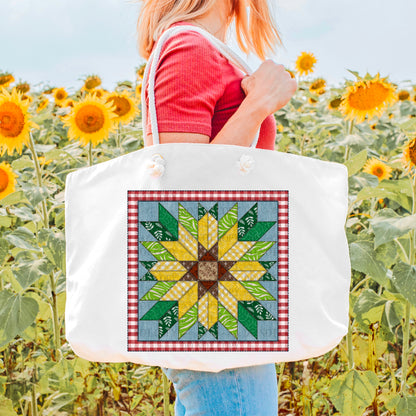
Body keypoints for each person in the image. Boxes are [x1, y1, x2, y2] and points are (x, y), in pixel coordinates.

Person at [136, 0, 297, 414]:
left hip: (218, 287)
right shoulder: (189, 49)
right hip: (211, 295)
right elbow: (181, 193)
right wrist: (258, 104)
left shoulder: (199, 47)